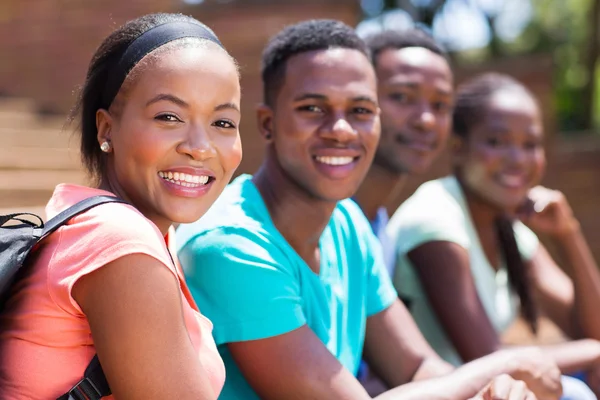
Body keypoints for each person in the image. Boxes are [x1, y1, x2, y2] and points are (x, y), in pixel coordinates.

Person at [176, 20, 562, 400]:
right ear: (267, 124)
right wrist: (501, 367)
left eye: (361, 110)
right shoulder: (229, 246)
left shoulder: (347, 222)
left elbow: (416, 367)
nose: (341, 129)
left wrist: (494, 389)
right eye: (313, 108)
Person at [0, 13, 242, 399]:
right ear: (106, 129)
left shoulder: (96, 222)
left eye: (224, 123)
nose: (200, 146)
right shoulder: (119, 242)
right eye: (169, 116)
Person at [387, 72, 600, 398]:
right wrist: (594, 351)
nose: (517, 159)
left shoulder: (507, 226)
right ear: (457, 149)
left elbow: (591, 328)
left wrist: (568, 235)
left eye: (530, 144)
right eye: (497, 142)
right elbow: (487, 357)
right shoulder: (434, 219)